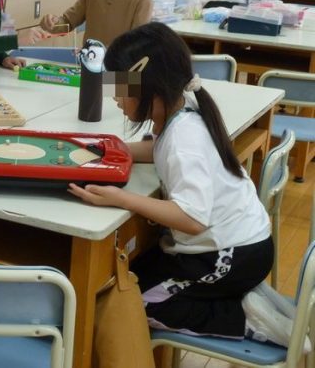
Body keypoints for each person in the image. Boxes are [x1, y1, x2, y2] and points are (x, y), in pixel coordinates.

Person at [69, 22, 311, 352]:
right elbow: (158, 149)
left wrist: (121, 198)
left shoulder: (185, 139)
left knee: (138, 303)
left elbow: (192, 218)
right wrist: (115, 149)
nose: (114, 97)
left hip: (232, 255)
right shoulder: (180, 113)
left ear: (149, 87)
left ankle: (246, 318)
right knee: (127, 279)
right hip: (230, 246)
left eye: (120, 87)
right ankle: (237, 296)